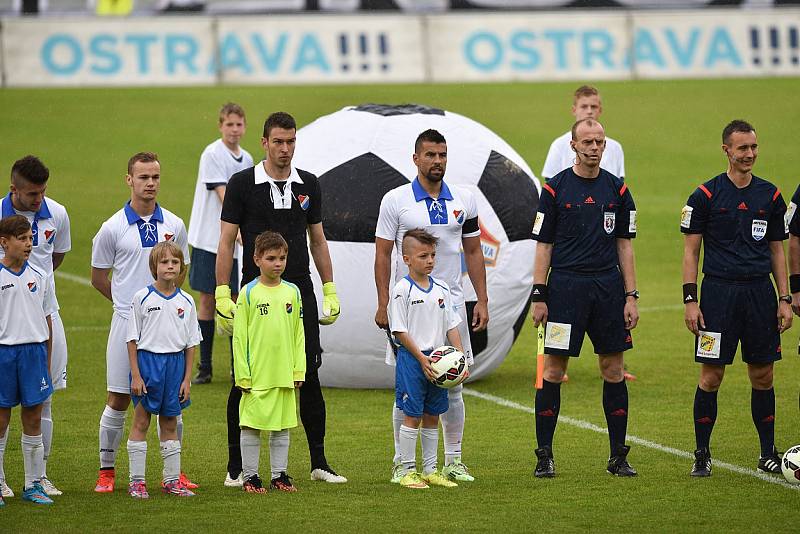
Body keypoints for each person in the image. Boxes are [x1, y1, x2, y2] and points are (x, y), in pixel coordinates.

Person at [216, 112, 346, 487]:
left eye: (290, 142)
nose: (285, 149)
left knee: (309, 373)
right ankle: (236, 468)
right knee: (245, 379)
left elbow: (317, 240)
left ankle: (319, 462)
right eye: (278, 142)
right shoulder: (242, 184)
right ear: (264, 143)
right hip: (254, 293)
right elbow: (225, 241)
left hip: (299, 292)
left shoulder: (309, 185)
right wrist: (223, 291)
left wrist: (329, 288)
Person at [375, 128, 488, 484]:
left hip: (450, 305)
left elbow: (473, 251)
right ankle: (401, 462)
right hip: (409, 310)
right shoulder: (395, 200)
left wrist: (481, 299)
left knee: (453, 383)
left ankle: (452, 461)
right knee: (406, 388)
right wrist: (382, 303)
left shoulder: (465, 200)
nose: (437, 161)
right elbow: (382, 253)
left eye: (442, 155)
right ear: (416, 159)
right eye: (430, 155)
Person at [681, 119, 791, 477]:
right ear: (726, 150)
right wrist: (690, 300)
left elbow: (778, 251)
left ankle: (766, 453)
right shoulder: (705, 195)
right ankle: (702, 453)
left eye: (754, 147)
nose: (750, 154)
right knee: (711, 376)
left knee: (763, 375)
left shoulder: (770, 195)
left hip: (760, 295)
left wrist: (784, 298)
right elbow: (690, 253)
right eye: (742, 148)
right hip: (717, 297)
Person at [531, 118, 639, 478]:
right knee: (554, 371)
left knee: (613, 370)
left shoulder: (618, 190)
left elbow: (625, 245)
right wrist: (539, 295)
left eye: (599, 142)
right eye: (587, 142)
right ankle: (544, 455)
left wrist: (631, 295)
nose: (594, 147)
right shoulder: (555, 189)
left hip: (608, 291)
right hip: (565, 291)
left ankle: (618, 456)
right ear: (573, 145)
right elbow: (543, 245)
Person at [91, 152, 194, 493]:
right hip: (126, 325)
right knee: (119, 399)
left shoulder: (174, 225)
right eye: (143, 177)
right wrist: (130, 307)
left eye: (155, 177)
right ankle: (107, 472)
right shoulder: (112, 228)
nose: (150, 184)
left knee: (171, 401)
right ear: (129, 180)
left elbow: (181, 268)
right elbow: (98, 277)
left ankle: (173, 474)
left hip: (166, 326)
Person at [0, 156, 70, 498]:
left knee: (44, 401)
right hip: (5, 327)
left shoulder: (56, 213)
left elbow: (56, 257)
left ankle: (38, 477)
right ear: (14, 190)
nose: (38, 199)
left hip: (41, 316)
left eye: (42, 192)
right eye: (31, 194)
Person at [388, 229, 463, 490]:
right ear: (406, 259)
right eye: (423, 256)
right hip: (413, 360)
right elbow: (399, 330)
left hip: (439, 360)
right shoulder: (401, 290)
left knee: (433, 415)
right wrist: (421, 359)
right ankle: (407, 470)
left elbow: (451, 325)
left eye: (433, 255)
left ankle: (430, 470)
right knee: (413, 415)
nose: (430, 260)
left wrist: (460, 358)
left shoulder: (442, 288)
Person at [125, 241, 200, 498]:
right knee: (142, 420)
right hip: (148, 365)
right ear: (154, 267)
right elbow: (132, 339)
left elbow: (191, 343)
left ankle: (171, 481)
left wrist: (187, 379)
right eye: (164, 262)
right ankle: (136, 481)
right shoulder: (142, 298)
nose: (170, 266)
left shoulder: (187, 301)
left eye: (175, 262)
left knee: (170, 422)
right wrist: (136, 374)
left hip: (175, 366)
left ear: (181, 267)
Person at [233, 231, 305, 494]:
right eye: (271, 258)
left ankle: (279, 476)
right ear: (257, 259)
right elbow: (239, 337)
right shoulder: (248, 293)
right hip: (257, 374)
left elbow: (299, 334)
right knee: (251, 424)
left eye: (282, 258)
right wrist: (243, 373)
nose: (278, 263)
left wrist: (299, 368)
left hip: (284, 373)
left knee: (282, 425)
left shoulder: (293, 292)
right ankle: (250, 477)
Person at [187, 103, 253, 385]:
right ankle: (205, 366)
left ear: (245, 127)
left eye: (239, 125)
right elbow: (222, 194)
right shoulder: (212, 153)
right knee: (208, 299)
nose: (234, 130)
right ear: (220, 126)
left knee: (237, 300)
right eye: (229, 125)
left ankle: (237, 366)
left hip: (235, 241)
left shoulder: (248, 158)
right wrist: (237, 226)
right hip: (209, 238)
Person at [0, 215, 57, 506]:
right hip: (4, 353)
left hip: (34, 354)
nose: (28, 244)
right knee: (1, 418)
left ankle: (33, 484)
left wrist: (46, 361)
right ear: (4, 242)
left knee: (33, 416)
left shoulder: (40, 275)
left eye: (30, 238)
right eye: (21, 239)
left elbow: (47, 321)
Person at [541, 85, 625, 181]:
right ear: (574, 110)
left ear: (600, 110)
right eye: (584, 107)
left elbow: (618, 187)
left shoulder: (615, 148)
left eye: (593, 107)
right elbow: (550, 184)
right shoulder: (559, 145)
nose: (589, 111)